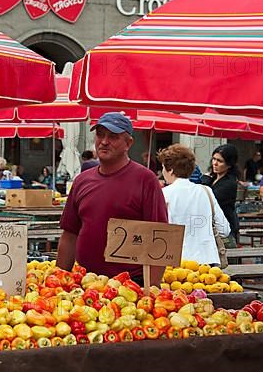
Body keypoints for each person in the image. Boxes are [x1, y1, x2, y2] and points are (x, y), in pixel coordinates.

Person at [57, 112, 168, 285]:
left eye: (113, 137)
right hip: (86, 282)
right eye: (100, 134)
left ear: (128, 143)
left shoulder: (146, 180)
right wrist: (59, 281)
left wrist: (151, 291)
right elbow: (70, 234)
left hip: (131, 286)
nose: (104, 141)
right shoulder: (82, 180)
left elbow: (160, 238)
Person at [158, 144, 230, 264]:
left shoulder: (163, 194)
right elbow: (224, 230)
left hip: (176, 262)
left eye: (163, 169)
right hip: (208, 262)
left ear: (170, 169)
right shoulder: (206, 191)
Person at [201, 144, 239, 246]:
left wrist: (204, 181)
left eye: (220, 161)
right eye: (214, 159)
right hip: (210, 230)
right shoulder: (212, 178)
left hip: (224, 232)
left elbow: (206, 199)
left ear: (229, 164)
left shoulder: (229, 183)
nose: (215, 163)